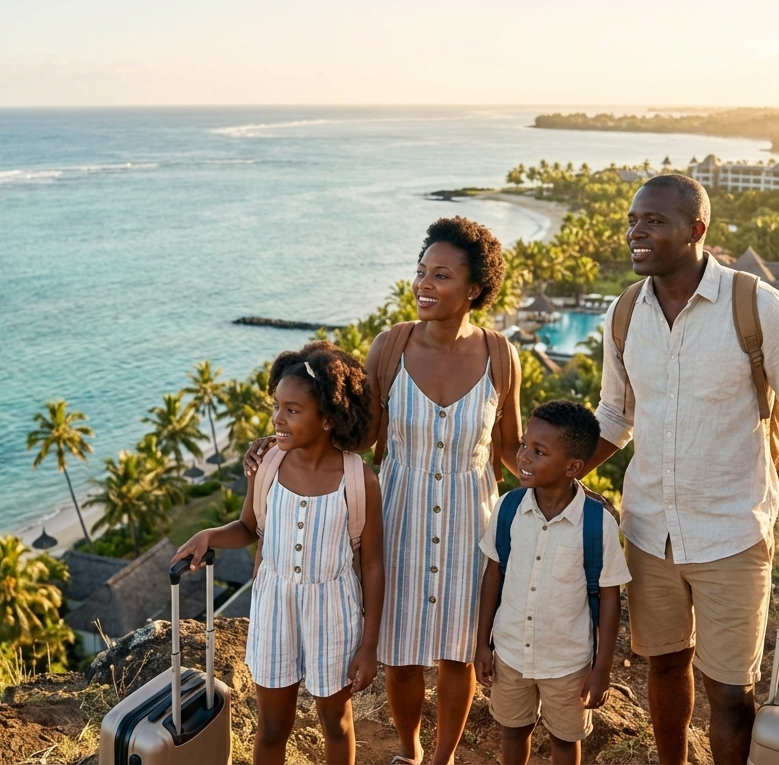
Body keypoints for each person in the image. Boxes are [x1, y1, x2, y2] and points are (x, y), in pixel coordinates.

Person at [245, 216, 523, 765]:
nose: (424, 284)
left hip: (472, 517)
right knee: (399, 649)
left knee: (458, 653)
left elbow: (511, 449)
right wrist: (277, 444)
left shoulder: (499, 355)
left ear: (474, 289)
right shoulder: (389, 347)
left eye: (441, 275)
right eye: (421, 271)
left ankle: (440, 759)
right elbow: (355, 433)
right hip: (397, 514)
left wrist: (567, 485)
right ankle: (410, 749)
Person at [580, 174, 779, 764]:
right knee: (665, 663)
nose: (636, 232)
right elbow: (615, 416)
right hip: (649, 531)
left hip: (732, 531)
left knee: (730, 690)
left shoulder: (757, 306)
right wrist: (561, 477)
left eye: (654, 222)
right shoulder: (623, 315)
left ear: (697, 230)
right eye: (633, 220)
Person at [175, 342, 385, 765]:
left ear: (327, 418)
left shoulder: (359, 480)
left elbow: (374, 564)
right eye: (277, 406)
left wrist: (369, 644)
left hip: (335, 612)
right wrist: (210, 535)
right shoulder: (268, 462)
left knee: (336, 724)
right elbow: (249, 527)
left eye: (292, 410)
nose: (277, 418)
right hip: (274, 608)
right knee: (273, 727)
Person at [474, 400, 631, 765]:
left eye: (539, 451)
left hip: (568, 663)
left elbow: (610, 599)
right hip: (511, 652)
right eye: (525, 445)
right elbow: (493, 575)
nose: (524, 457)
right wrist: (483, 643)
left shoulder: (597, 523)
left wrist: (602, 669)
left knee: (565, 739)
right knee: (513, 730)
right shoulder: (509, 508)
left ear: (572, 467)